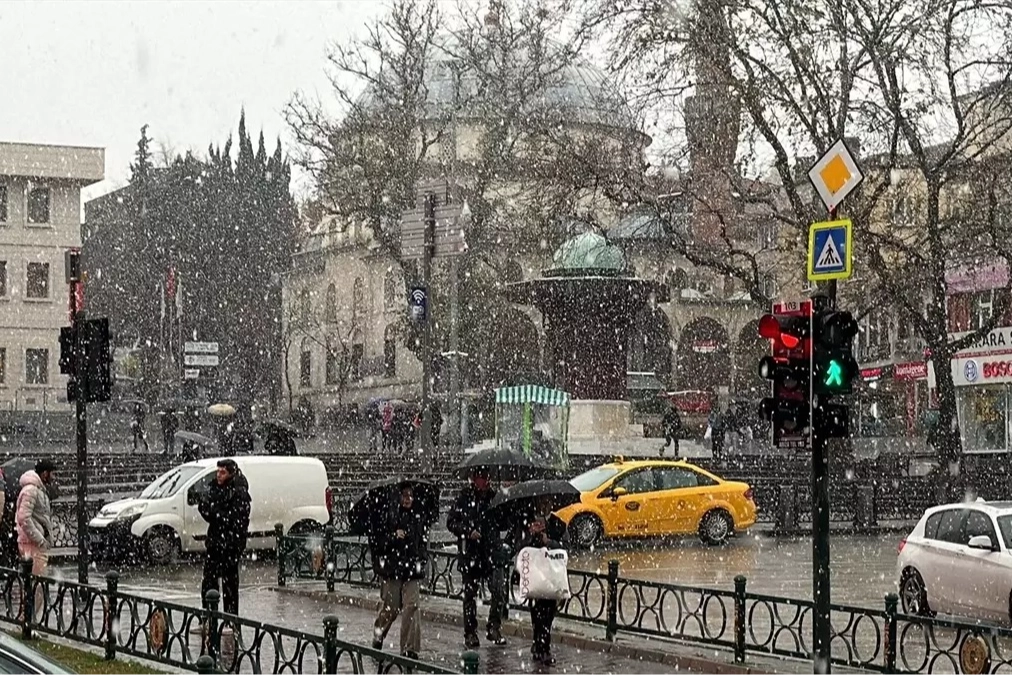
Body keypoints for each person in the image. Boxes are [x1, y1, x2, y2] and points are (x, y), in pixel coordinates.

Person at [447, 471, 506, 649]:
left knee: (498, 590)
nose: (483, 482)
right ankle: (470, 632)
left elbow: (503, 523)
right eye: (480, 478)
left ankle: (493, 627)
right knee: (470, 595)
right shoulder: (464, 497)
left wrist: (501, 507)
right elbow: (451, 522)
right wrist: (467, 531)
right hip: (470, 553)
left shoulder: (495, 498)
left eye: (486, 478)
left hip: (490, 552)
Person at [372, 485, 431, 659]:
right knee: (391, 608)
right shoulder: (388, 515)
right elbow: (378, 542)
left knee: (412, 606)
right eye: (404, 495)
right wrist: (393, 536)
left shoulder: (418, 516)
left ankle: (409, 648)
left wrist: (421, 557)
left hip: (412, 569)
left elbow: (422, 541)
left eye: (410, 495)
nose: (407, 499)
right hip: (393, 569)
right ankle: (379, 632)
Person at [511, 496, 567, 666]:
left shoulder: (558, 524)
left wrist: (549, 541)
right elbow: (518, 546)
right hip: (534, 577)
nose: (544, 505)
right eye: (541, 502)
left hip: (551, 578)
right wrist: (530, 535)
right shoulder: (526, 522)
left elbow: (566, 548)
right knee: (537, 614)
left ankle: (543, 646)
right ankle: (540, 646)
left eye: (547, 502)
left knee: (548, 615)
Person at [198, 459, 251, 616]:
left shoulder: (238, 492)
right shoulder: (214, 487)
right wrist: (213, 511)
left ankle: (230, 618)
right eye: (218, 471)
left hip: (230, 544)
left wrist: (217, 513)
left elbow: (237, 518)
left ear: (231, 473)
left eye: (223, 472)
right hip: (215, 541)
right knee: (209, 580)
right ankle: (208, 615)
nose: (219, 475)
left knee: (230, 584)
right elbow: (205, 508)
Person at [16, 459, 55, 575]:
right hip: (32, 544)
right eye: (52, 474)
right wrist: (40, 539)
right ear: (45, 474)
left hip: (33, 543)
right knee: (36, 579)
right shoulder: (31, 490)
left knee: (35, 579)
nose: (54, 477)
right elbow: (24, 518)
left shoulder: (38, 489)